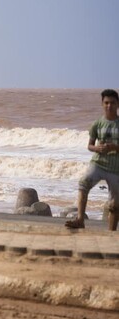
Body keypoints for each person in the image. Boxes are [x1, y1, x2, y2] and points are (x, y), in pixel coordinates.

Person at [65, 89, 119, 230]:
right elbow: (90, 145)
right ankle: (80, 220)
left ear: (117, 105)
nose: (109, 106)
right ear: (102, 104)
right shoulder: (97, 124)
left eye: (112, 103)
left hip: (116, 168)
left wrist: (114, 147)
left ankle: (111, 232)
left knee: (114, 204)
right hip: (98, 163)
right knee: (83, 183)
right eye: (106, 103)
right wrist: (97, 149)